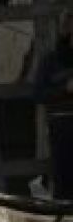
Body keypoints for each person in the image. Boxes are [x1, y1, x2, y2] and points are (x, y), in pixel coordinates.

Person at [34, 11, 73, 199]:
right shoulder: (51, 61)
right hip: (62, 127)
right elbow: (39, 94)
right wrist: (65, 89)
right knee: (64, 184)